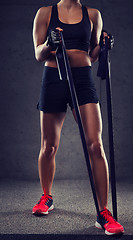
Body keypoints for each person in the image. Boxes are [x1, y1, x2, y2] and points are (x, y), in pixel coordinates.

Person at [32, 0, 124, 235]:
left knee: (96, 144)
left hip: (83, 79)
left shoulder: (93, 14)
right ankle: (46, 197)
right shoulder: (45, 13)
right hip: (53, 77)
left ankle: (103, 213)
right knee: (49, 146)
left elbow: (91, 55)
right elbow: (38, 54)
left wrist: (103, 47)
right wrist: (49, 43)